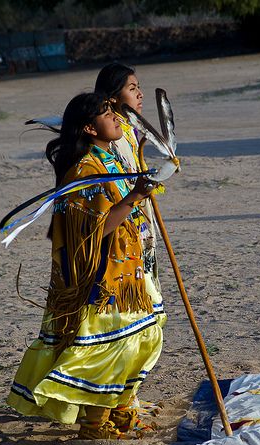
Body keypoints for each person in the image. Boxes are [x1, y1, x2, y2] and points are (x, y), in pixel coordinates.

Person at [7, 92, 163, 440]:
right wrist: (134, 197)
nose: (117, 118)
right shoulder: (84, 171)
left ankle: (122, 411)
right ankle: (95, 422)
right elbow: (95, 229)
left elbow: (126, 206)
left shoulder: (113, 160)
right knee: (111, 347)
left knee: (142, 339)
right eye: (108, 113)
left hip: (131, 271)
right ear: (90, 128)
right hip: (102, 279)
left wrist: (142, 191)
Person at [95, 63, 166, 327]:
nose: (140, 95)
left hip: (139, 225)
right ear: (113, 97)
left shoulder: (128, 130)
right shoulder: (107, 136)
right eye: (132, 88)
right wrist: (137, 192)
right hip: (120, 233)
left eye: (139, 88)